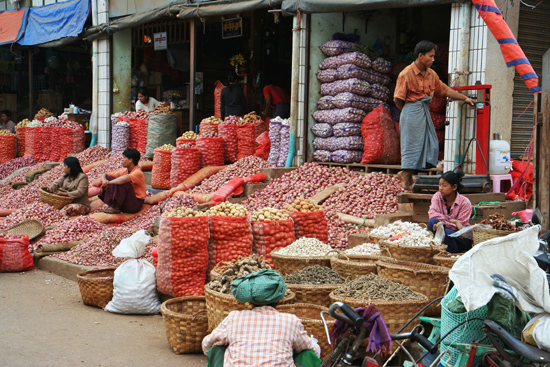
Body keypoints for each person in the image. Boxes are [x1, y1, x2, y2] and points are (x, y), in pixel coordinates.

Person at [394, 41, 475, 191]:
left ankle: (406, 173)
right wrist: (409, 112)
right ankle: (405, 175)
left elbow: (444, 90)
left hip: (424, 111)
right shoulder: (406, 73)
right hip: (411, 111)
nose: (433, 59)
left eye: (433, 56)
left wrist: (464, 98)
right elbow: (397, 99)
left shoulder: (431, 74)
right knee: (411, 145)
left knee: (429, 143)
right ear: (421, 56)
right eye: (430, 56)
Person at [202, 269, 322, 367]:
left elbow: (206, 344)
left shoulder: (234, 318)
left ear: (250, 300)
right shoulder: (291, 321)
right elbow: (313, 350)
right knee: (308, 354)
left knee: (217, 348)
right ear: (279, 299)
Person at [428, 170, 473, 253]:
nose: (440, 188)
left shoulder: (465, 202)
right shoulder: (437, 196)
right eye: (440, 185)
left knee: (447, 233)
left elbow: (461, 227)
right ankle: (436, 250)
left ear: (454, 187)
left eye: (444, 186)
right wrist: (452, 221)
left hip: (461, 238)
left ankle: (451, 256)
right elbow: (432, 213)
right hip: (443, 232)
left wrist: (444, 224)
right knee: (432, 222)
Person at [97, 148, 145, 214]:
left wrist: (109, 183)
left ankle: (116, 207)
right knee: (110, 177)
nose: (121, 160)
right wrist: (105, 181)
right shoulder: (125, 171)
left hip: (135, 204)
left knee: (123, 183)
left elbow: (124, 179)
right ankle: (112, 205)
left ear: (130, 160)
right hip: (126, 202)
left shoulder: (138, 172)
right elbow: (104, 174)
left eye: (124, 158)